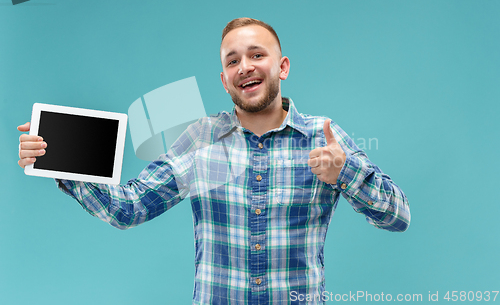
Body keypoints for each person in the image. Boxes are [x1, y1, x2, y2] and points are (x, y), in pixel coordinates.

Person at [18, 18, 410, 305]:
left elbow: (398, 217)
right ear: (225, 80)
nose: (246, 66)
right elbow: (129, 208)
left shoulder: (323, 137)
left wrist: (347, 173)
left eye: (257, 54)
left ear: (282, 67)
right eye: (233, 60)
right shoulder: (201, 139)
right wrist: (59, 159)